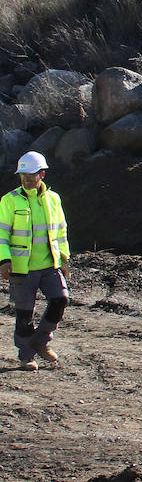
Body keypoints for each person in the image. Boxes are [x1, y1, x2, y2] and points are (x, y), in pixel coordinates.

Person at [1, 151, 71, 371]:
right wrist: (4, 260)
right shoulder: (9, 200)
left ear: (41, 174)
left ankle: (41, 341)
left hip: (49, 265)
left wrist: (64, 259)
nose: (26, 179)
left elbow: (61, 231)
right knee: (24, 315)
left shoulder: (53, 199)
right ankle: (26, 356)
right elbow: (1, 234)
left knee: (60, 300)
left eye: (30, 175)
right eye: (23, 175)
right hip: (23, 269)